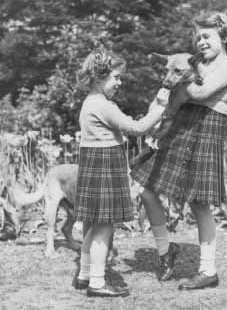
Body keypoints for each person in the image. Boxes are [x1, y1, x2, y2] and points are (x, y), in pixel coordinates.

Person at [130, 11, 227, 290]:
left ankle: (207, 270)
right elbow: (171, 98)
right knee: (147, 189)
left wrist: (179, 75)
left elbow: (201, 94)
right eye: (198, 37)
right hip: (181, 126)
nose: (201, 42)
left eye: (207, 36)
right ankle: (166, 251)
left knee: (199, 202)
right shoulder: (192, 64)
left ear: (222, 36)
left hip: (206, 129)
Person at [74, 46, 168, 298]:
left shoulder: (89, 102)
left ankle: (84, 275)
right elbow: (136, 128)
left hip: (94, 162)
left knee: (95, 225)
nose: (119, 82)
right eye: (116, 76)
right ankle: (96, 283)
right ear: (99, 77)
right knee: (105, 226)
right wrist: (160, 109)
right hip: (105, 164)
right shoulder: (104, 105)